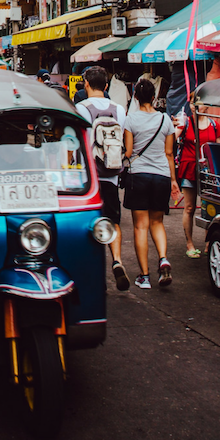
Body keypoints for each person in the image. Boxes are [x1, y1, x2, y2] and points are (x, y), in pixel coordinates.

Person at [75, 66, 130, 291]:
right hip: (111, 175)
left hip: (88, 178)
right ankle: (117, 259)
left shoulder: (80, 108)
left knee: (89, 224)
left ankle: (94, 270)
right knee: (113, 221)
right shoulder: (119, 109)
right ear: (106, 86)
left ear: (86, 83)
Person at [123, 79, 178, 289]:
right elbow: (170, 153)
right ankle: (163, 258)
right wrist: (173, 180)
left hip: (139, 176)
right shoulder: (165, 120)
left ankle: (144, 277)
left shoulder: (131, 120)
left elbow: (128, 153)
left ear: (135, 97)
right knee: (157, 222)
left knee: (140, 226)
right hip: (162, 176)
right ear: (154, 97)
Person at [177, 111, 220, 259]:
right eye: (192, 102)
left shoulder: (214, 124)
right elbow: (171, 139)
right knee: (189, 207)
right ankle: (189, 244)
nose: (195, 106)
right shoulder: (186, 122)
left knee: (209, 208)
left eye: (199, 102)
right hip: (189, 168)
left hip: (208, 172)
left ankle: (209, 243)